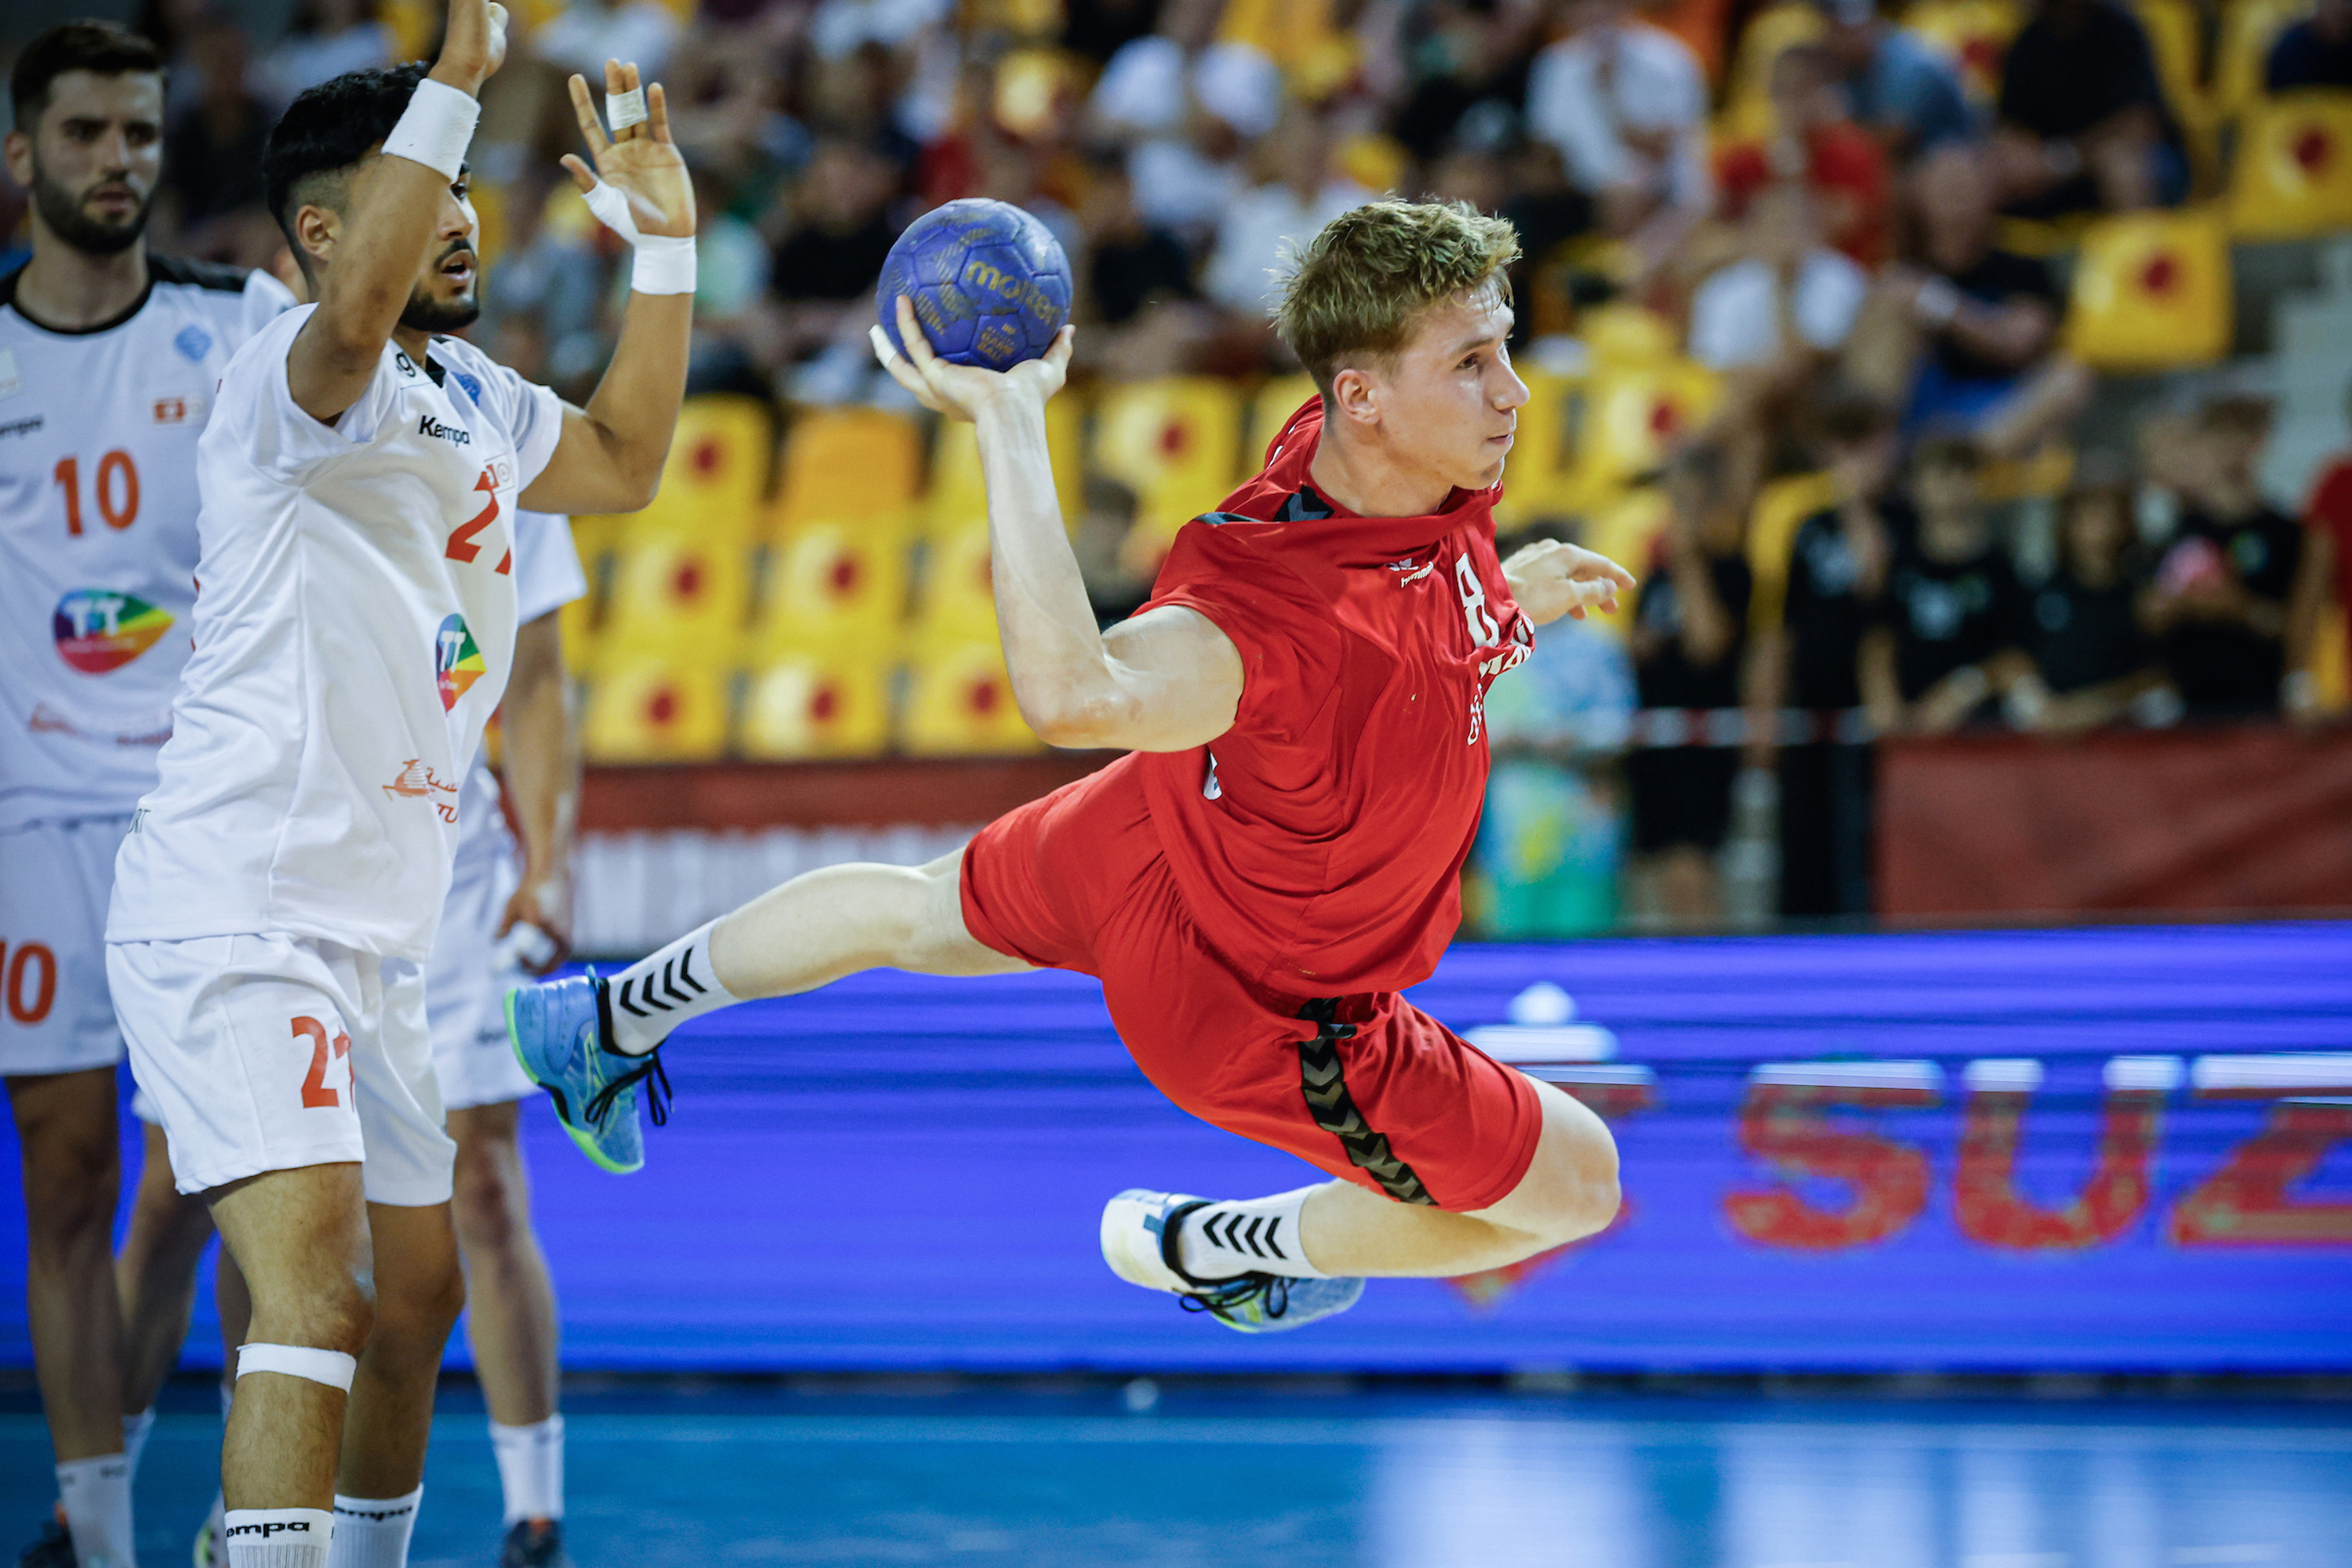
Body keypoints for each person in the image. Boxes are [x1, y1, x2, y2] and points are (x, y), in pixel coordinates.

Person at [510, 198, 1630, 1334]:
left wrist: (1507, 598)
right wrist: (1007, 420)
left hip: (1158, 828)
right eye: (1475, 363)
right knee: (1577, 1188)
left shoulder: (1383, 465)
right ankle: (1213, 1245)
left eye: (1506, 352)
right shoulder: (1264, 631)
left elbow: (1405, 636)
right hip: (1273, 1009)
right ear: (1361, 400)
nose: (1515, 393)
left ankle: (606, 1018)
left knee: (914, 913)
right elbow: (1074, 694)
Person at [102, 1, 695, 1559]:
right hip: (238, 910)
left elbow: (630, 460)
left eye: (466, 193)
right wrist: (458, 74)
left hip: (373, 935)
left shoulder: (479, 403)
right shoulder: (295, 375)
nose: (461, 217)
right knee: (319, 1281)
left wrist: (670, 253)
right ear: (325, 226)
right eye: (425, 192)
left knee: (421, 1289)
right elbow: (354, 312)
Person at [0, 21, 296, 1568]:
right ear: (23, 155)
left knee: (244, 1175)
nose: (118, 160)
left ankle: (261, 1520)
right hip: (33, 814)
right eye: (85, 134)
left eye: (138, 132)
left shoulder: (239, 320)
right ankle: (99, 1528)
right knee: (65, 1172)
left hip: (208, 809)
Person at [1749, 392, 1899, 918]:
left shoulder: (1899, 521)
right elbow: (1782, 630)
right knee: (1804, 840)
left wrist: (1856, 505)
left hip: (1871, 714)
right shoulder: (1808, 528)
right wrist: (1766, 709)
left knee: (1863, 842)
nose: (1856, 463)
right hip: (1808, 708)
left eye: (1867, 448)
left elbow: (1872, 581)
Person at [1624, 444, 1753, 929]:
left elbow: (1708, 646)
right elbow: (1637, 646)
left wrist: (1687, 562)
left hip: (1702, 744)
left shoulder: (1727, 569)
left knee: (1695, 871)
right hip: (1655, 741)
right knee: (1661, 876)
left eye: (1690, 503)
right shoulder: (1656, 576)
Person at [2140, 397, 2302, 718]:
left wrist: (2238, 608)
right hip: (2188, 713)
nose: (2228, 446)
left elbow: (2297, 625)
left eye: (2240, 433)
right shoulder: (2179, 529)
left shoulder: (2287, 533)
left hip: (2261, 709)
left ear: (2260, 441)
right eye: (2218, 434)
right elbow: (2147, 613)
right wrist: (2168, 606)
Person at [1859, 434, 2032, 733]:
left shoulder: (1999, 568)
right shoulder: (1899, 562)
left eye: (1963, 473)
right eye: (1939, 474)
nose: (1951, 485)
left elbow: (2016, 654)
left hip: (1978, 731)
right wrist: (1882, 697)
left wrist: (1962, 691)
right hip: (1906, 728)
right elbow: (1878, 636)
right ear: (1915, 487)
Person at [2005, 468, 2169, 731]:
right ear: (2066, 524)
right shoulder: (2041, 590)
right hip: (2050, 730)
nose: (2098, 525)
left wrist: (2097, 705)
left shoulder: (2145, 595)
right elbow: (2012, 656)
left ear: (2126, 522)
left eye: (2108, 515)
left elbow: (2159, 676)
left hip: (2126, 737)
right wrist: (2041, 705)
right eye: (2086, 515)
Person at [1991, 0, 2183, 217]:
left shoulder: (2121, 31)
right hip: (2051, 173)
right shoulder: (2028, 41)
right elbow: (2011, 125)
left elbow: (2140, 126)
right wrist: (2021, 156)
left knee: (2123, 166)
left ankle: (2134, 249)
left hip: (2128, 162)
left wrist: (2065, 159)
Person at [1813, 0, 1975, 158]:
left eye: (1845, 31)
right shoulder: (1847, 64)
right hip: (1908, 161)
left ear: (1871, 23)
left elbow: (1891, 138)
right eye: (1833, 30)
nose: (1836, 41)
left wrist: (1829, 132)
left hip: (1954, 159)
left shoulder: (1905, 64)